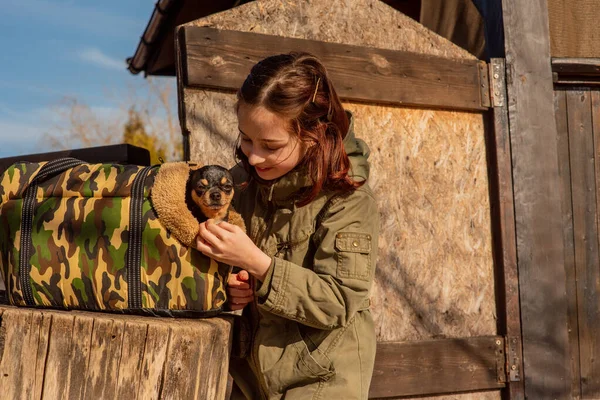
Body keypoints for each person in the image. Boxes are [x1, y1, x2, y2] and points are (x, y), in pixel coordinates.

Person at [195, 52, 379, 400]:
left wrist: (258, 263)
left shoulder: (348, 199)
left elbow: (339, 302)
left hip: (324, 378)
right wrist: (231, 285)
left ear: (314, 135)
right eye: (246, 139)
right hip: (254, 378)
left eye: (271, 146)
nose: (253, 157)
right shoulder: (241, 185)